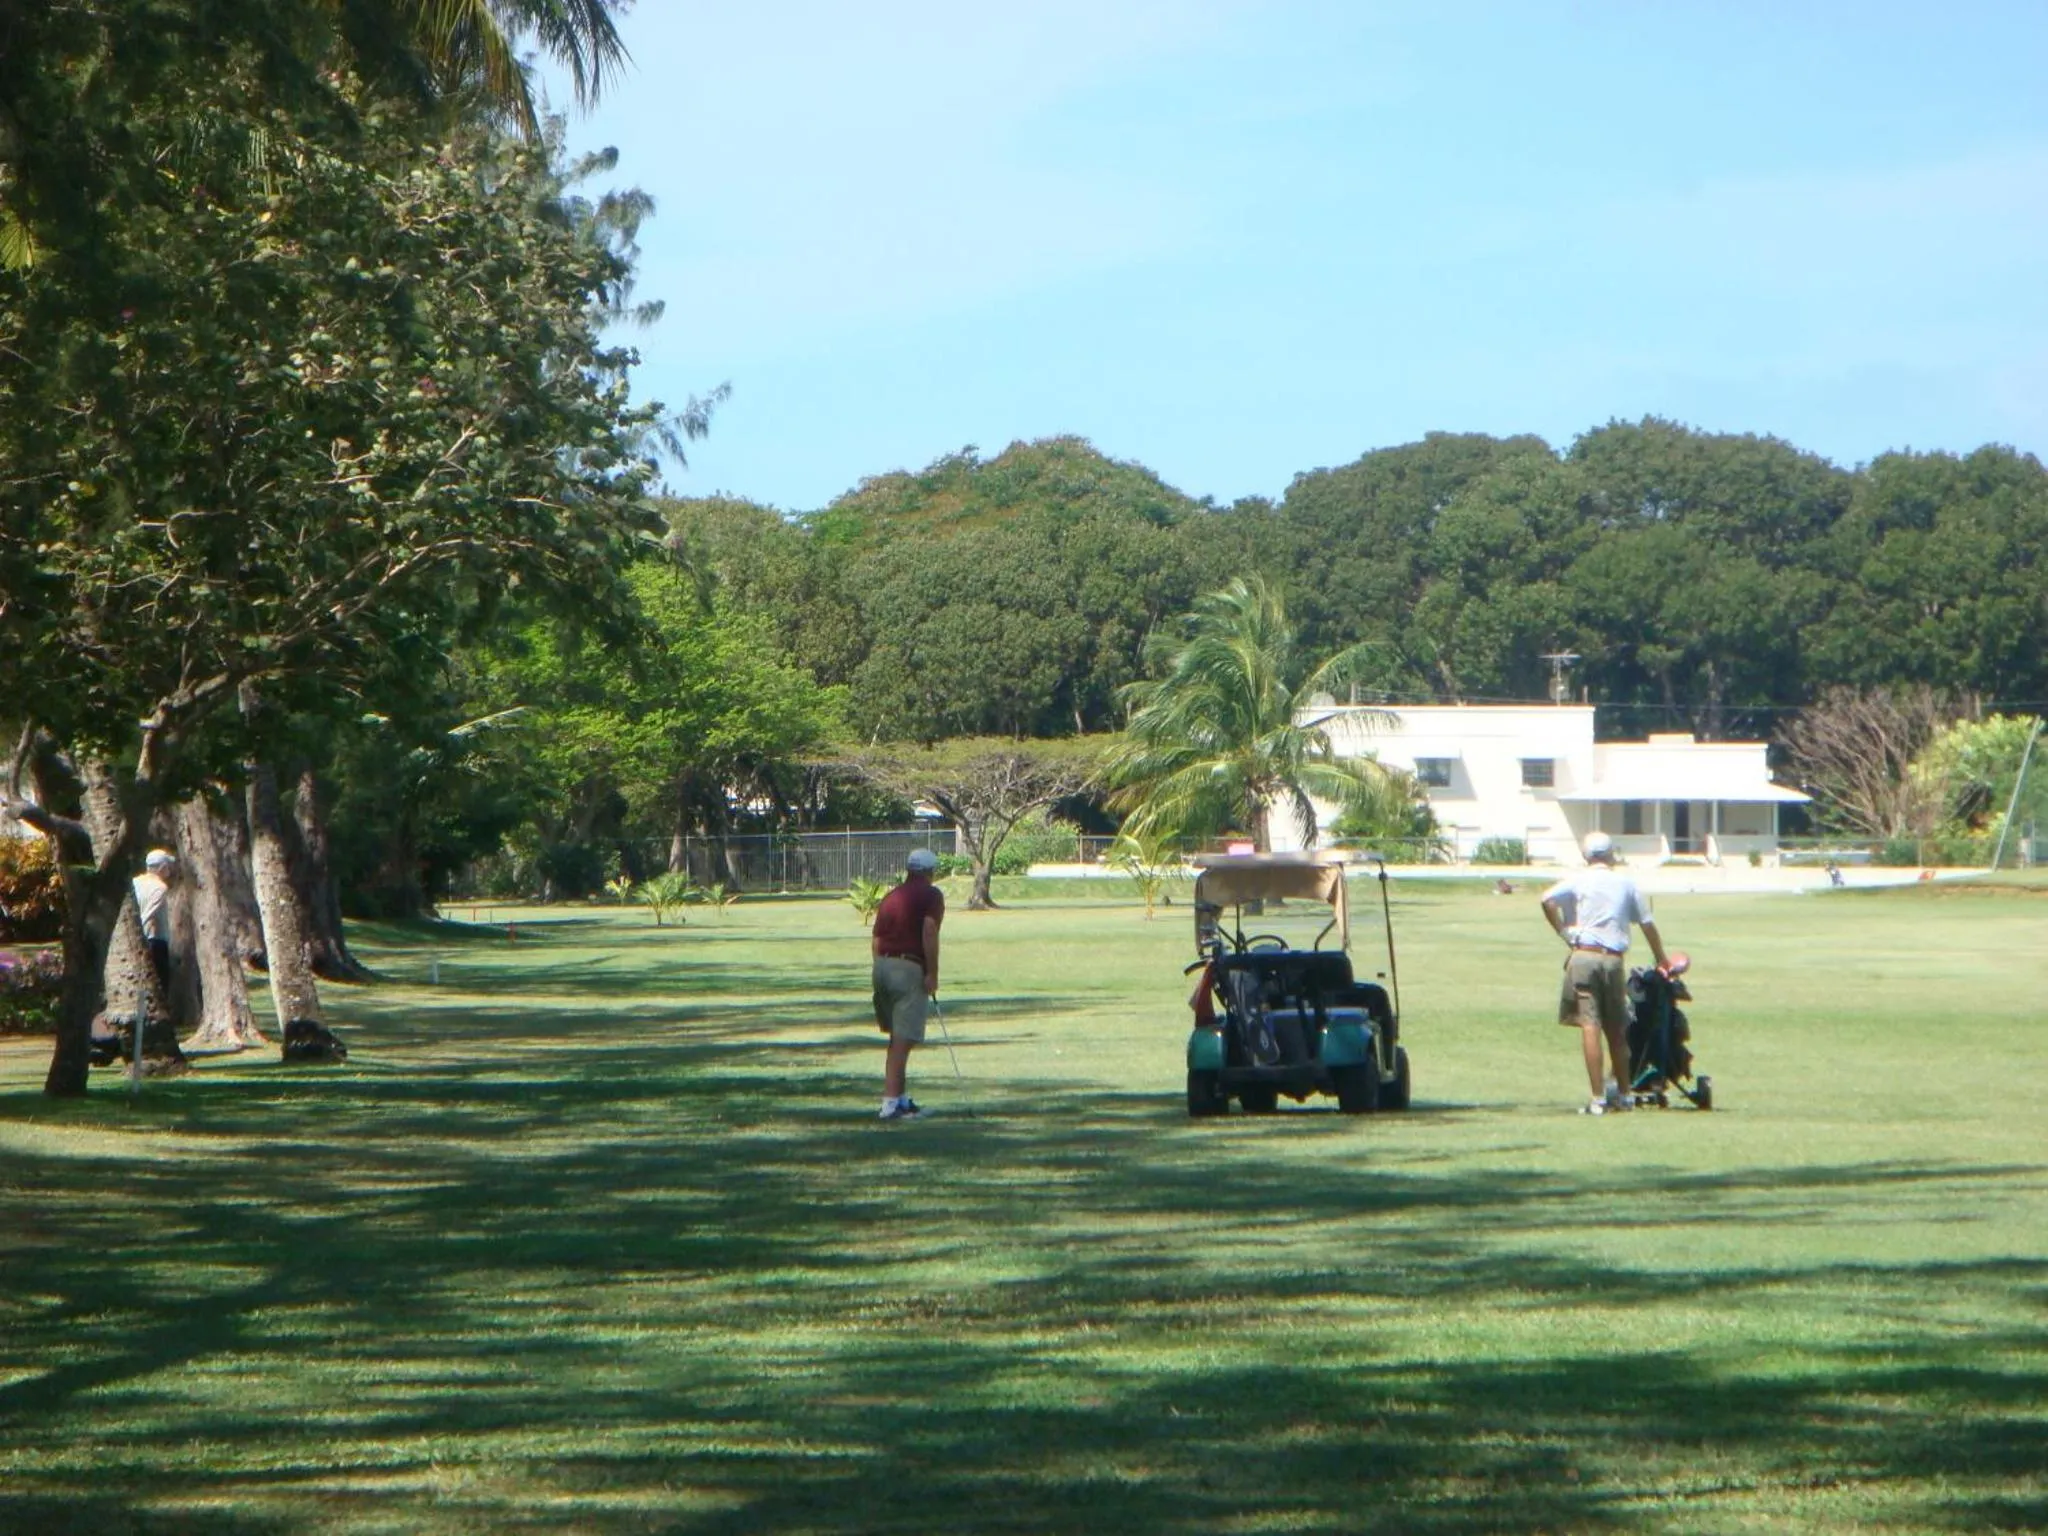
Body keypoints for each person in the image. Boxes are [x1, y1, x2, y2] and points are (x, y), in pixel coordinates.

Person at [1539, 831, 1673, 1116]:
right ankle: (1624, 1095)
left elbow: (1546, 899)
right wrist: (1661, 958)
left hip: (1583, 954)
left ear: (1586, 855)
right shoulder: (1625, 883)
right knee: (1617, 1028)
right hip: (1613, 959)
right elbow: (1647, 924)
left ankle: (1598, 1098)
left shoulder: (1578, 880)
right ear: (1611, 854)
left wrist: (1565, 932)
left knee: (1590, 1025)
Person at [871, 847, 944, 1120]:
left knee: (896, 1037)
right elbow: (929, 930)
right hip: (908, 967)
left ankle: (900, 1099)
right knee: (903, 1040)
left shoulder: (891, 896)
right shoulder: (931, 895)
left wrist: (881, 968)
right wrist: (932, 973)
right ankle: (890, 1105)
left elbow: (876, 938)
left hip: (882, 966)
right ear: (930, 872)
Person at [132, 848, 177, 995]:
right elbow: (148, 914)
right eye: (168, 866)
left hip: (137, 939)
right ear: (162, 868)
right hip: (155, 943)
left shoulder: (135, 882)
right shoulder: (160, 888)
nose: (169, 870)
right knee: (160, 989)